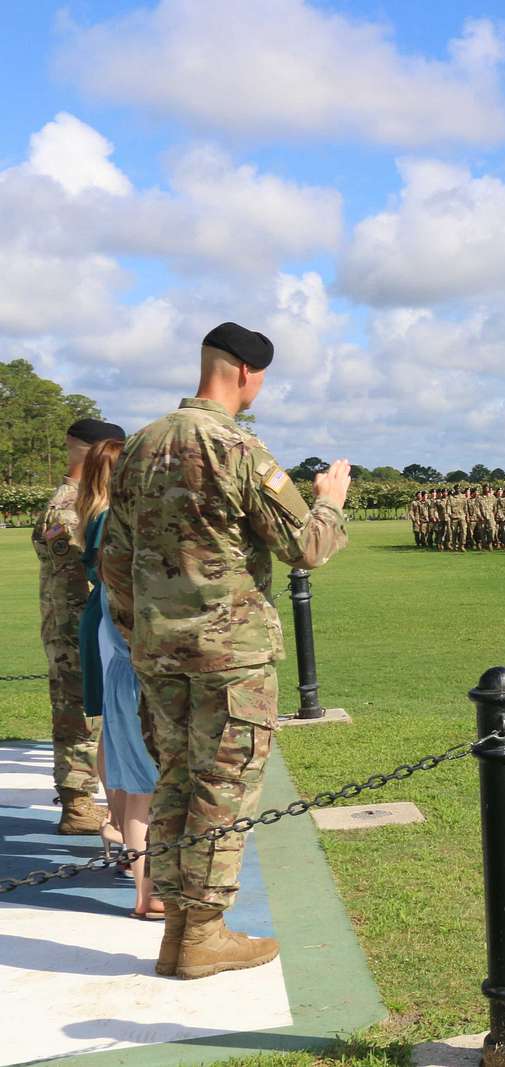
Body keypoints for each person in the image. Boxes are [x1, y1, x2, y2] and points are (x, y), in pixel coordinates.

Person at [102, 321, 351, 980]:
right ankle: (203, 932)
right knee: (222, 789)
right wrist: (330, 502)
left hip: (159, 655)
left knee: (177, 784)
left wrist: (142, 632)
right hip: (230, 658)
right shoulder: (241, 449)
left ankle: (181, 928)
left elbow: (114, 560)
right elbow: (308, 548)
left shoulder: (140, 447)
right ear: (245, 373)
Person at [75, 429, 166, 920]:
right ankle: (149, 891)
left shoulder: (100, 522)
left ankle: (143, 888)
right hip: (135, 669)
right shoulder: (120, 534)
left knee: (134, 785)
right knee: (147, 785)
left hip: (117, 666)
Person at [33, 418, 119, 834]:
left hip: (75, 622)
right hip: (75, 625)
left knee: (88, 713)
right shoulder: (72, 504)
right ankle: (77, 804)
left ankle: (84, 799)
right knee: (78, 716)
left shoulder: (78, 498)